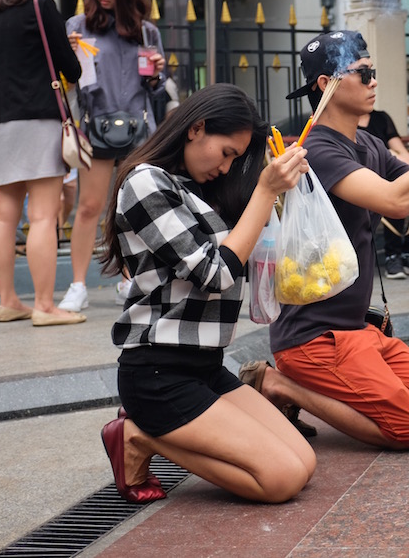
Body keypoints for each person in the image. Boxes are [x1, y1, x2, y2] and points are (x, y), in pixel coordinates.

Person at [240, 30, 409, 449]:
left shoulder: (367, 142)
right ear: (325, 85)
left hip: (358, 329)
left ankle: (309, 386)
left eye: (373, 72)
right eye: (362, 73)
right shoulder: (316, 150)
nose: (373, 82)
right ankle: (280, 385)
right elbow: (397, 202)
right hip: (314, 338)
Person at [97, 83, 315, 504]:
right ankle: (140, 436)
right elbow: (214, 273)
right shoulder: (145, 182)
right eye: (228, 152)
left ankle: (153, 432)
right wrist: (265, 191)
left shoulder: (201, 189)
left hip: (207, 367)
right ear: (196, 128)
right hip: (158, 372)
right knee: (281, 480)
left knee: (304, 463)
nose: (228, 167)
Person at [0, 0, 86, 326]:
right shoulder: (41, 5)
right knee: (42, 215)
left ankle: (9, 301)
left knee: (4, 217)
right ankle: (44, 305)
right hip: (38, 117)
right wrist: (69, 51)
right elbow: (70, 68)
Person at [59, 0, 167, 313]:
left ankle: (130, 279)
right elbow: (67, 85)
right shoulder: (78, 25)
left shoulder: (145, 30)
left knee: (132, 208)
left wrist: (157, 75)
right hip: (96, 126)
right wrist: (69, 59)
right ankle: (78, 285)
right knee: (90, 207)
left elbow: (155, 90)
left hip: (139, 129)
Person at [358, 108, 409, 279]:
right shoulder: (348, 126)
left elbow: (399, 148)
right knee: (397, 194)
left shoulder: (380, 118)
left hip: (390, 169)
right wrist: (394, 156)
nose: (371, 84)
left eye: (371, 79)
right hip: (369, 176)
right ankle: (392, 255)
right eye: (364, 80)